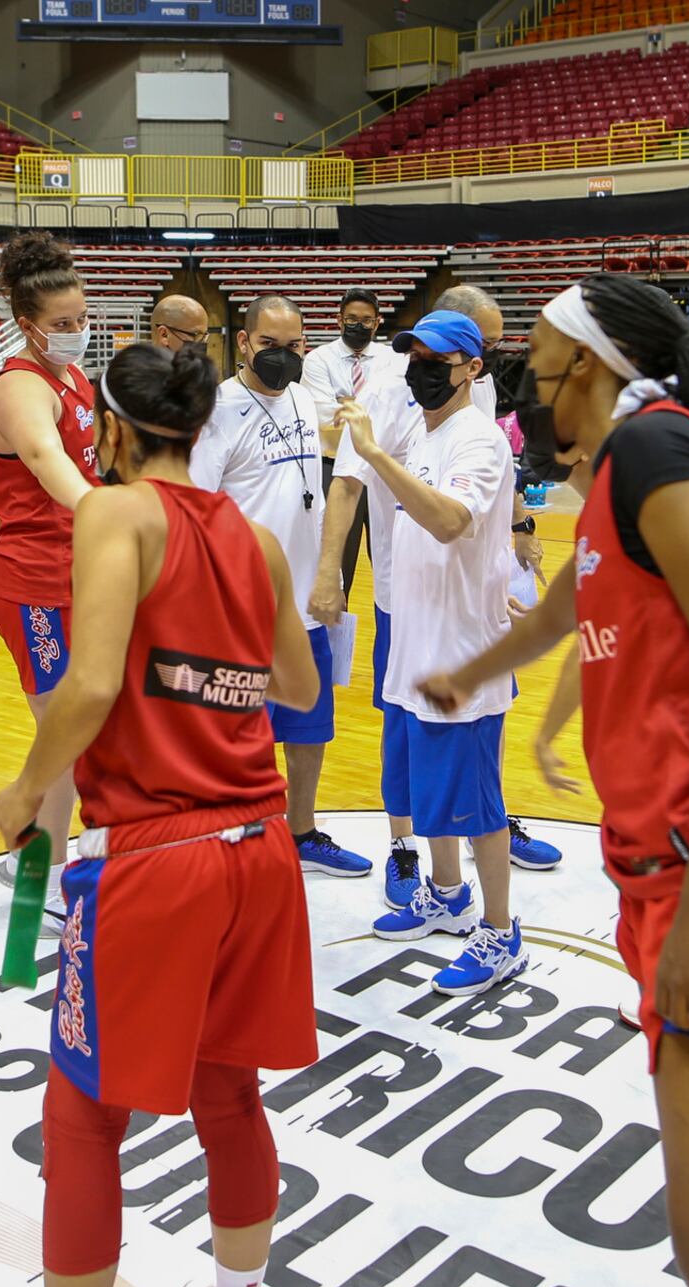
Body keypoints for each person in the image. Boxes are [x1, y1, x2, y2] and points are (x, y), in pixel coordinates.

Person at [420, 272, 689, 1287]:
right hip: (672, 864)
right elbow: (570, 601)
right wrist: (476, 669)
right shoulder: (616, 469)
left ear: (592, 370)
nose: (530, 394)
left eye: (541, 372)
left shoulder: (655, 449)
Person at [0, 341, 320, 1287]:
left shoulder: (112, 511)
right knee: (231, 1096)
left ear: (113, 431)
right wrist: (211, 680)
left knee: (84, 1117)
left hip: (157, 856)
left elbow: (87, 687)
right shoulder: (252, 540)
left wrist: (24, 789)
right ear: (202, 427)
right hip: (259, 848)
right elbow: (299, 688)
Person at [329, 309, 526, 995]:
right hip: (413, 642)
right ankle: (447, 894)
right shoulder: (419, 429)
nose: (421, 369)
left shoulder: (479, 440)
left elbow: (448, 522)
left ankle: (501, 931)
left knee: (477, 804)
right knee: (427, 792)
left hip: (462, 656)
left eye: (437, 360)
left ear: (472, 368)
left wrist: (375, 453)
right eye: (414, 356)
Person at [188, 294, 369, 878]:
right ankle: (244, 842)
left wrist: (330, 575)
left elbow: (317, 490)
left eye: (294, 347)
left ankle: (302, 832)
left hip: (309, 605)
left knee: (309, 729)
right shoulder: (216, 410)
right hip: (241, 610)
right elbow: (193, 512)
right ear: (243, 343)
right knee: (244, 739)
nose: (283, 358)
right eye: (270, 346)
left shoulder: (300, 396)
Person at [0, 232, 99, 912]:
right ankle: (44, 881)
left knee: (77, 725)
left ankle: (38, 847)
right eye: (61, 326)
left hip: (75, 576)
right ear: (27, 326)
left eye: (83, 321)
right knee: (64, 732)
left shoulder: (74, 376)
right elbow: (54, 467)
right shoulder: (21, 389)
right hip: (32, 587)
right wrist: (110, 517)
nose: (77, 333)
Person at [303, 286, 396, 597]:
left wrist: (347, 403)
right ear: (339, 320)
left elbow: (397, 414)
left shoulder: (393, 358)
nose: (359, 325)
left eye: (366, 320)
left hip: (384, 470)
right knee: (337, 567)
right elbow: (322, 416)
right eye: (352, 319)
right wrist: (372, 409)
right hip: (336, 469)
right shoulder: (318, 359)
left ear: (378, 322)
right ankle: (334, 635)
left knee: (391, 563)